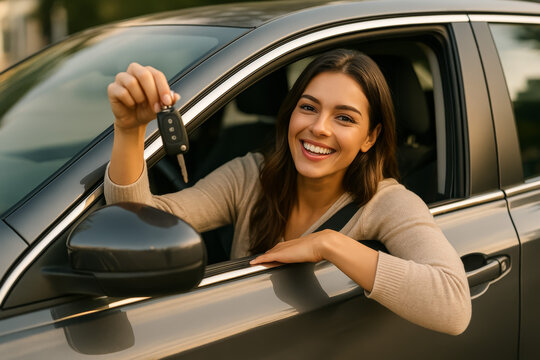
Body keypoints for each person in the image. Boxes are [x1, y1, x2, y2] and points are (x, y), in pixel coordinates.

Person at [105, 49, 471, 335]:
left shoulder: (388, 202)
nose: (318, 128)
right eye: (308, 108)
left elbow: (454, 306)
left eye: (344, 118)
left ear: (370, 138)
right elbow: (138, 225)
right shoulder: (251, 175)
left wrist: (329, 244)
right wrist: (129, 131)